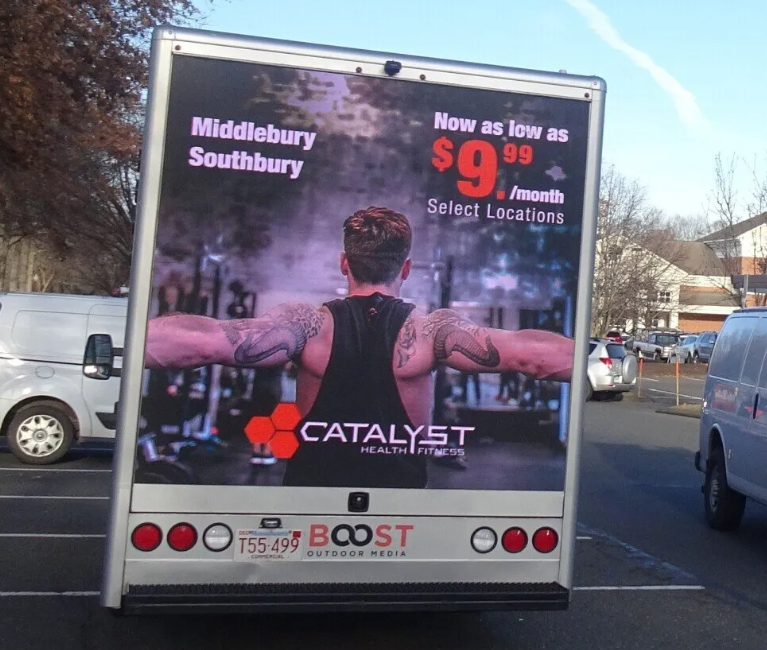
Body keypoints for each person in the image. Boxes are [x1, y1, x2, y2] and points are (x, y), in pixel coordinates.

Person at [143, 206, 575, 487]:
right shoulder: (430, 332)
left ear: (344, 263)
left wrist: (126, 342)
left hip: (311, 497)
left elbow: (205, 344)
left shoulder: (306, 326)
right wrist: (597, 363)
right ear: (405, 268)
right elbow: (528, 352)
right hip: (396, 503)